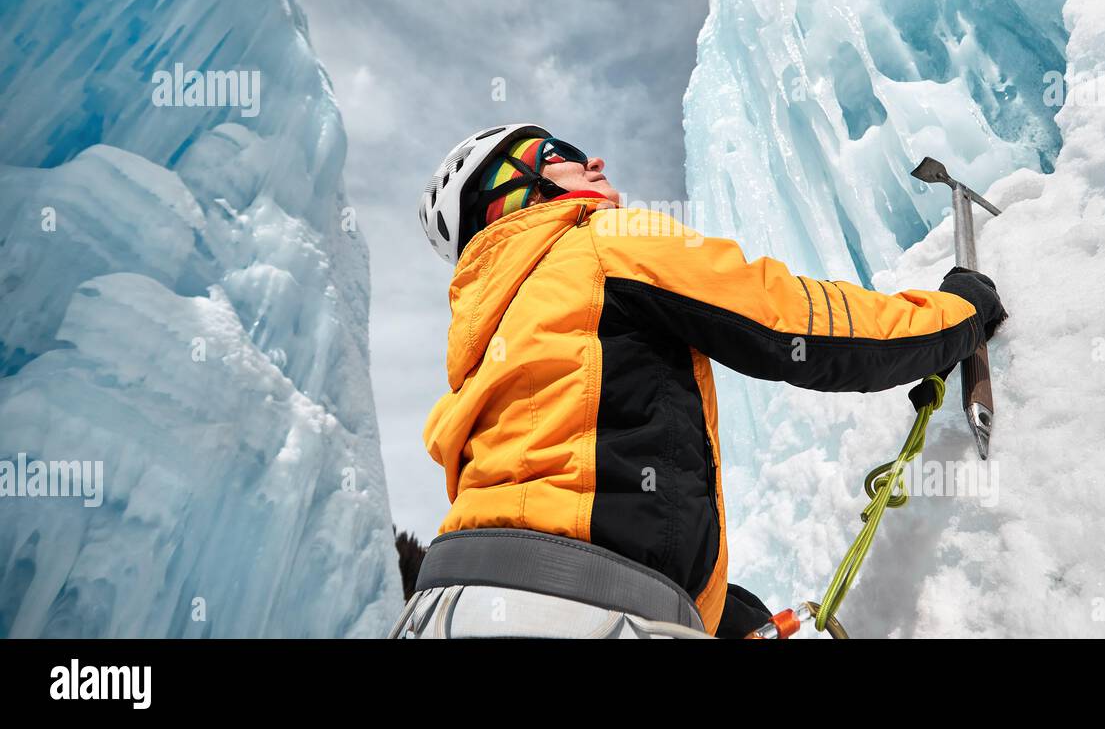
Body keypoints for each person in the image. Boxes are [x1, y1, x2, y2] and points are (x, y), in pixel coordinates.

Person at [395, 123, 1007, 639]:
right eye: (561, 155)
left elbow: (560, 491)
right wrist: (956, 315)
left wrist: (710, 613)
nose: (593, 160)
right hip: (584, 610)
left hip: (438, 611)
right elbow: (794, 324)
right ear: (506, 195)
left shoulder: (487, 338)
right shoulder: (600, 242)